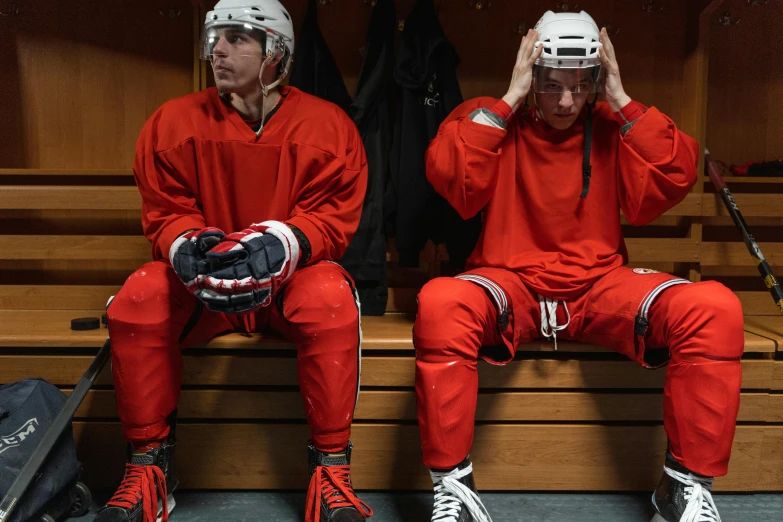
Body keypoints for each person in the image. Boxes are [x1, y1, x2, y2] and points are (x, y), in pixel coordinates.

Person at [415, 10, 742, 522]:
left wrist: (619, 96)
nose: (567, 101)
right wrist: (510, 98)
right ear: (531, 75)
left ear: (594, 80)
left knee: (714, 307)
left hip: (598, 289)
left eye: (580, 85)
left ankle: (682, 486)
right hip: (511, 284)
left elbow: (676, 173)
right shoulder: (489, 115)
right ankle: (453, 487)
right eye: (551, 86)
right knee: (440, 301)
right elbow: (452, 179)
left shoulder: (613, 122)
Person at [95, 1, 374, 521]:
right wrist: (187, 246)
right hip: (208, 292)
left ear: (278, 54)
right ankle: (150, 469)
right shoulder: (173, 121)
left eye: (238, 38)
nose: (218, 50)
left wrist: (286, 243)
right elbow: (167, 211)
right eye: (215, 38)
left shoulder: (329, 126)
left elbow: (332, 218)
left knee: (331, 297)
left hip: (285, 289)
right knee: (138, 297)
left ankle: (331, 474)